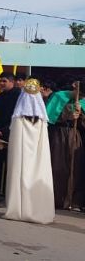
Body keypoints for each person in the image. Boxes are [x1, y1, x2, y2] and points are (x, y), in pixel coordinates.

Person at [4, 79, 54, 224]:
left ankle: (21, 208)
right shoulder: (41, 120)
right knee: (37, 170)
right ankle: (35, 209)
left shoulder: (18, 119)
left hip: (24, 156)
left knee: (22, 171)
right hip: (33, 157)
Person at [45, 82, 85, 210]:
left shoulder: (83, 101)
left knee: (76, 167)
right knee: (58, 166)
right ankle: (57, 199)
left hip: (74, 135)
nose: (82, 97)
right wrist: (68, 113)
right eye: (81, 94)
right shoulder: (59, 96)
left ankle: (73, 201)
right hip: (58, 135)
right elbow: (48, 117)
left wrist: (80, 116)